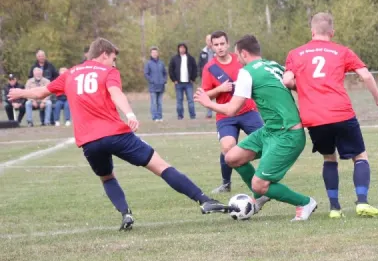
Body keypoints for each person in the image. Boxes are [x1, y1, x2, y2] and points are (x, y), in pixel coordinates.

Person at [9, 38, 228, 231]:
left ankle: (126, 213)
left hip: (89, 142)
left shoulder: (71, 74)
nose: (114, 63)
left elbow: (39, 92)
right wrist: (130, 113)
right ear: (104, 54)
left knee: (107, 177)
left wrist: (21, 92)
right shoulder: (108, 72)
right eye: (113, 58)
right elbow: (116, 93)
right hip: (115, 134)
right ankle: (203, 200)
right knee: (161, 167)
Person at [195, 34, 318, 221]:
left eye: (238, 55)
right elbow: (296, 85)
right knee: (232, 157)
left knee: (259, 184)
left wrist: (207, 102)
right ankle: (261, 196)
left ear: (244, 53)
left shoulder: (247, 71)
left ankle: (304, 202)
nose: (237, 59)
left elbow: (231, 109)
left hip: (287, 135)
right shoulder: (274, 66)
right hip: (270, 131)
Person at [283, 12, 378, 219]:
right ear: (332, 32)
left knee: (329, 158)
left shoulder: (295, 54)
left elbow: (287, 80)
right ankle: (362, 203)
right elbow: (365, 75)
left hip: (314, 117)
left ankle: (334, 208)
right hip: (341, 112)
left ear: (312, 31)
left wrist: (305, 88)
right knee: (360, 156)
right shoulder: (342, 52)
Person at [201, 31, 264, 194]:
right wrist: (219, 89)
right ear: (211, 46)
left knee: (267, 143)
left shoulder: (240, 60)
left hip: (248, 111)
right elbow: (204, 95)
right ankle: (226, 183)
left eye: (222, 44)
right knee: (228, 147)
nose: (220, 47)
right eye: (216, 45)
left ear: (227, 44)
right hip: (225, 115)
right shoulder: (209, 68)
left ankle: (264, 179)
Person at [168, 43, 198, 120]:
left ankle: (192, 116)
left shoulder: (190, 58)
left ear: (186, 49)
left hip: (188, 83)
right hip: (178, 83)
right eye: (180, 48)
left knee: (191, 100)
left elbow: (195, 68)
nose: (182, 49)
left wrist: (193, 79)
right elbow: (170, 69)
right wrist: (174, 80)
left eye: (183, 48)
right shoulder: (174, 58)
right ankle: (180, 116)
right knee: (179, 100)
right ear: (178, 49)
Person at [144, 47, 167, 122]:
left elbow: (165, 73)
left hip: (161, 86)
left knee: (159, 103)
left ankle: (160, 117)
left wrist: (164, 80)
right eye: (153, 52)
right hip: (153, 87)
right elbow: (146, 74)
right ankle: (155, 117)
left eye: (156, 52)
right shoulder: (148, 63)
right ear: (151, 54)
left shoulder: (161, 63)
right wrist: (152, 80)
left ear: (158, 53)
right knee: (154, 103)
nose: (155, 54)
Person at [198, 34, 214, 119]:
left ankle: (223, 111)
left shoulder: (216, 51)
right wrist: (201, 75)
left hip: (217, 76)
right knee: (207, 95)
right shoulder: (202, 52)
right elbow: (200, 65)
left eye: (211, 40)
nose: (209, 42)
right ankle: (209, 113)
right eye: (208, 40)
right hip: (207, 77)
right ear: (206, 41)